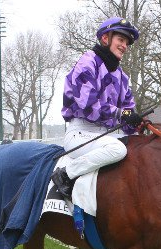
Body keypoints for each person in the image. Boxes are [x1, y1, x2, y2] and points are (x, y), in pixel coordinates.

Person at [51, 17, 142, 199]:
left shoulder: (122, 77)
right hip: (80, 134)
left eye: (126, 43)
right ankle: (65, 174)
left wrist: (137, 122)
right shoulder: (88, 61)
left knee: (140, 146)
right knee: (117, 150)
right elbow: (88, 105)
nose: (124, 46)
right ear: (105, 38)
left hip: (106, 134)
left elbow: (127, 111)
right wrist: (122, 114)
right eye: (121, 40)